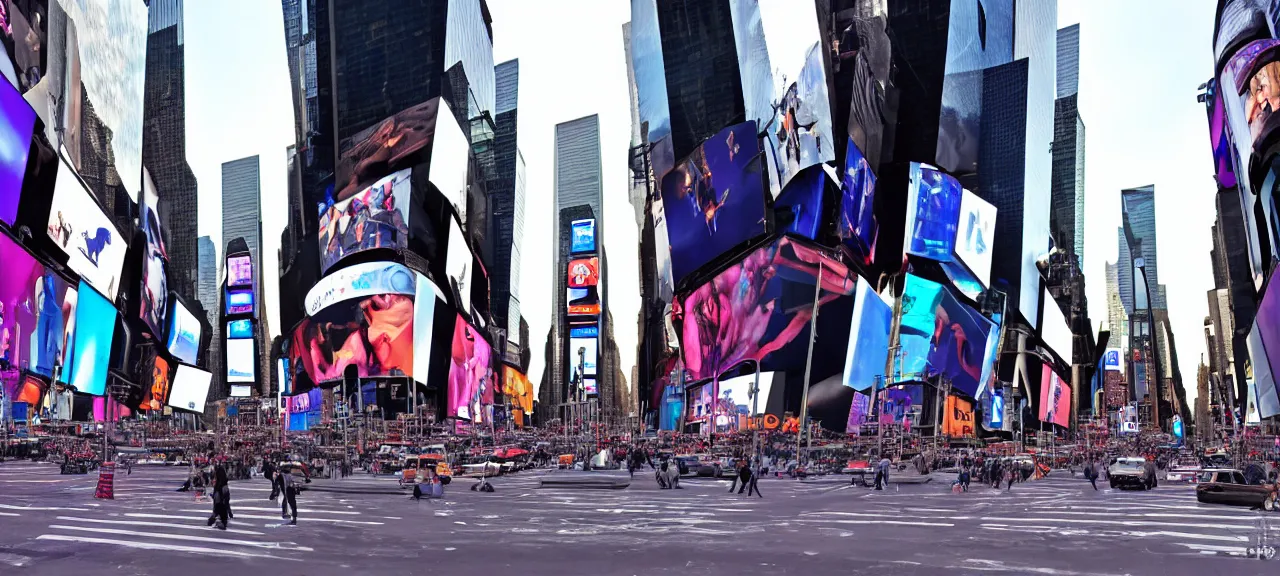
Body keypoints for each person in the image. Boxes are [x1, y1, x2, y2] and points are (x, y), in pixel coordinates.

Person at [207, 465, 230, 530]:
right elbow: (227, 501)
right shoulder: (224, 485)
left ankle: (218, 520)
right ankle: (220, 521)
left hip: (220, 506)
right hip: (222, 508)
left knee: (219, 507)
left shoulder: (219, 485)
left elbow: (217, 502)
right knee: (221, 508)